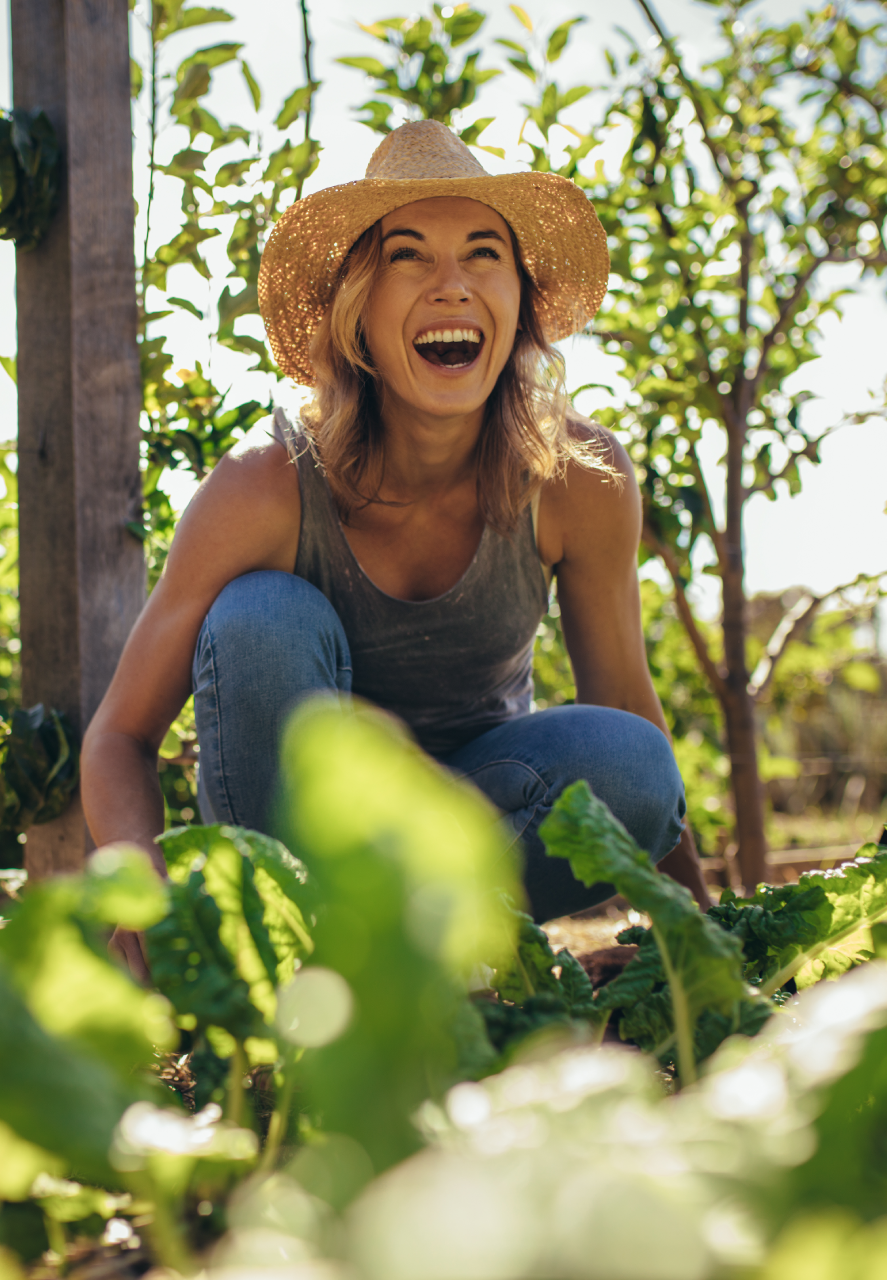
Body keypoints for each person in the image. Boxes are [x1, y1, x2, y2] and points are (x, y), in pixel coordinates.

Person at [83, 120, 711, 970]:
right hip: (298, 853)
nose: (452, 285)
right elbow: (119, 736)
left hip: (483, 824)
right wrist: (139, 884)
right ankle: (298, 957)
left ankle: (426, 954)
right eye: (409, 256)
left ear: (519, 302)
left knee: (635, 763)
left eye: (484, 253)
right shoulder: (263, 488)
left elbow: (630, 708)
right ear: (358, 313)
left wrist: (701, 931)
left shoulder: (578, 476)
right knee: (262, 617)